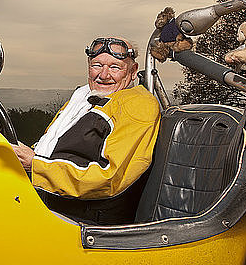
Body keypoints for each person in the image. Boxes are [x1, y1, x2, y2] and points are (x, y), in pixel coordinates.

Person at [12, 37, 160, 225]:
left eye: (115, 67)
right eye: (97, 65)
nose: (104, 75)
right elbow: (50, 145)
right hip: (49, 197)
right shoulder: (84, 97)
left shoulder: (137, 105)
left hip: (86, 217)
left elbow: (110, 178)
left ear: (132, 72)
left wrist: (35, 165)